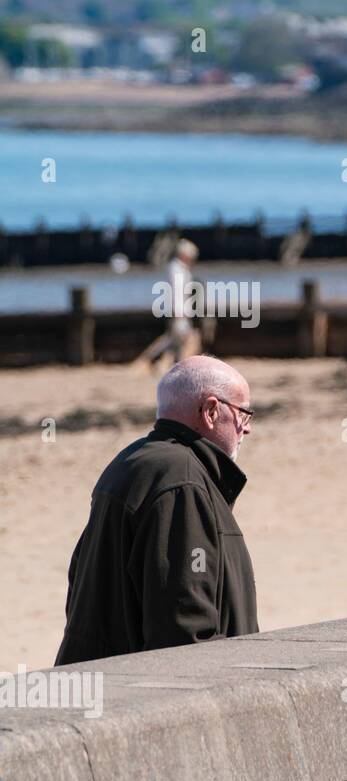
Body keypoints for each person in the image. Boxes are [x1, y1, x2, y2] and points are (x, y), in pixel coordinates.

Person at [56, 355, 258, 666]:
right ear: (211, 411)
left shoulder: (131, 461)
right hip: (143, 699)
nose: (246, 430)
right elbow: (184, 634)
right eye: (243, 415)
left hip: (100, 682)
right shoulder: (183, 482)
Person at [143, 238, 200, 367]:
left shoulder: (181, 269)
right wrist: (179, 311)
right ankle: (152, 359)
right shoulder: (176, 269)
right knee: (179, 338)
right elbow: (177, 291)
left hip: (180, 309)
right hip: (179, 310)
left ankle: (165, 362)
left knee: (175, 339)